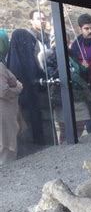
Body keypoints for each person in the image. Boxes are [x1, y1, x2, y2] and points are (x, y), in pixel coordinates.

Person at [37, 33, 91, 143]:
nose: (65, 44)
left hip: (78, 95)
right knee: (65, 128)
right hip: (62, 96)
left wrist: (84, 68)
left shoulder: (72, 55)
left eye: (66, 41)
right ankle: (65, 147)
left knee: (81, 125)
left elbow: (81, 73)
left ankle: (74, 144)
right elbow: (51, 75)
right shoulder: (50, 57)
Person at [6, 9, 52, 146]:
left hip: (42, 90)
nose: (42, 21)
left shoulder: (47, 39)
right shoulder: (25, 39)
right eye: (38, 18)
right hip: (27, 93)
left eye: (43, 18)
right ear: (31, 21)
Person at [0, 30, 25, 164]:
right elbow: (3, 91)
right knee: (6, 149)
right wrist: (18, 88)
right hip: (3, 115)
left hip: (6, 113)